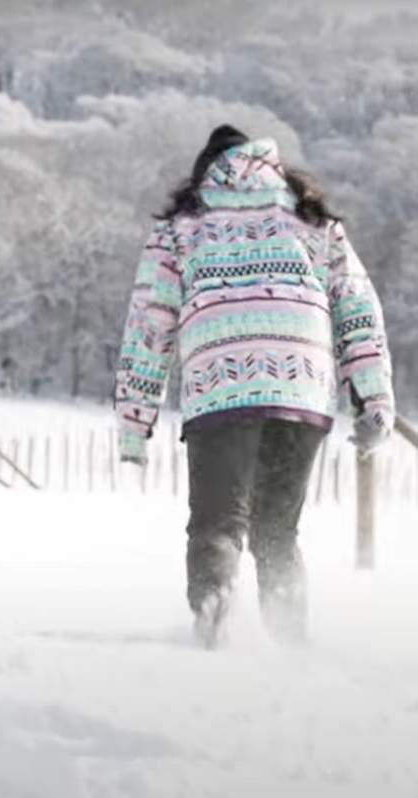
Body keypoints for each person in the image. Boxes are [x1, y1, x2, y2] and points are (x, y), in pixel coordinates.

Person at [115, 125, 394, 647]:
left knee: (218, 524)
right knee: (276, 532)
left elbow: (150, 326)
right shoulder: (313, 220)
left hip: (222, 385)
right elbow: (359, 309)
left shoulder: (182, 226)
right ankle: (290, 646)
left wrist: (134, 423)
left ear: (205, 171)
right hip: (301, 388)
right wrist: (373, 397)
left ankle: (213, 635)